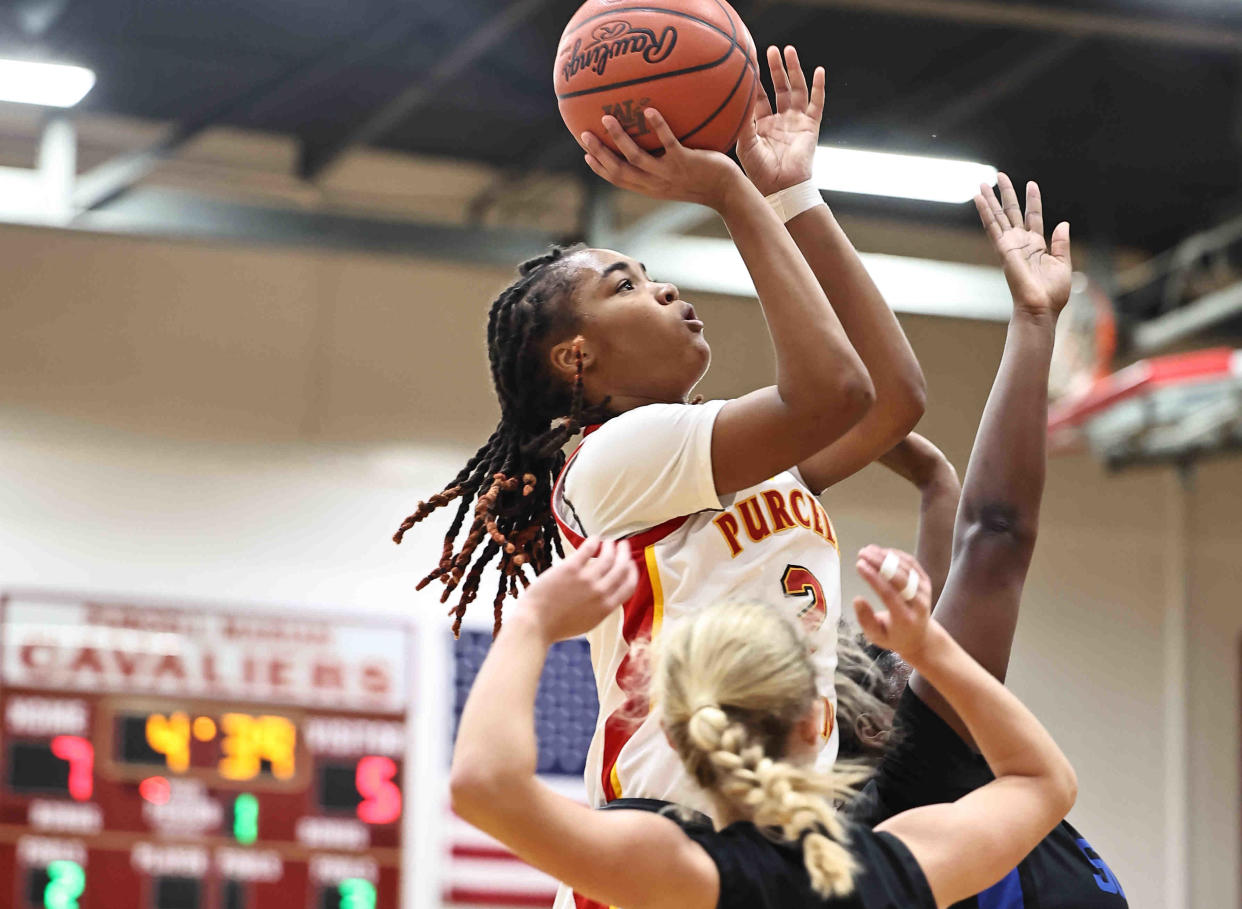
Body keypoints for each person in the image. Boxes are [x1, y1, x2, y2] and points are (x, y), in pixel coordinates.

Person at [396, 45, 924, 833]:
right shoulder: (613, 458)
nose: (665, 287)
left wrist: (793, 197)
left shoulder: (731, 460)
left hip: (765, 848)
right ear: (576, 355)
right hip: (665, 841)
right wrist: (727, 188)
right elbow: (835, 392)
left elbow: (892, 399)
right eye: (626, 286)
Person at [449, 534, 1078, 909]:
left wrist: (531, 623)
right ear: (817, 722)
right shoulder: (894, 866)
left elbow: (484, 785)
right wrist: (928, 650)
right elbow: (1042, 782)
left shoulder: (680, 871)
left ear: (673, 733)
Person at [840, 174, 1127, 906]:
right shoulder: (914, 779)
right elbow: (992, 537)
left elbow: (953, 528)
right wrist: (1033, 323)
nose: (915, 646)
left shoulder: (920, 787)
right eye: (891, 658)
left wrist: (931, 472)